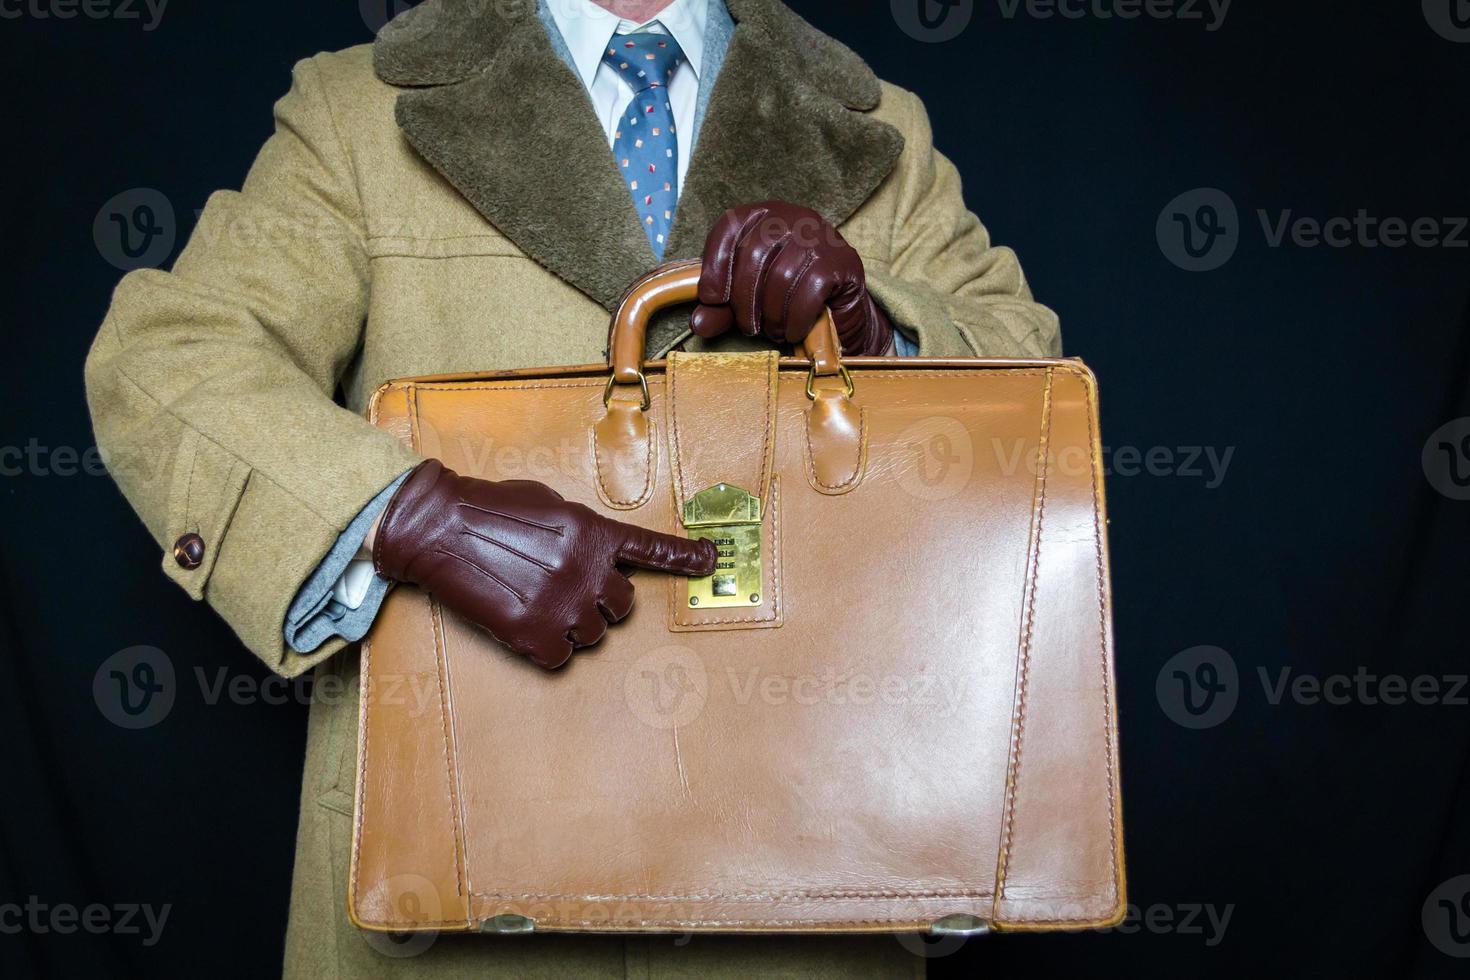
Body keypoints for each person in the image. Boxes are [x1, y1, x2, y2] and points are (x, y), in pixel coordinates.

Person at [85, 0, 1060, 975]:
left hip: (803, 890)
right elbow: (169, 358)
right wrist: (404, 513)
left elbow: (1034, 394)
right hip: (455, 885)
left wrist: (884, 335)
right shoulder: (357, 110)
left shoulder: (876, 124)